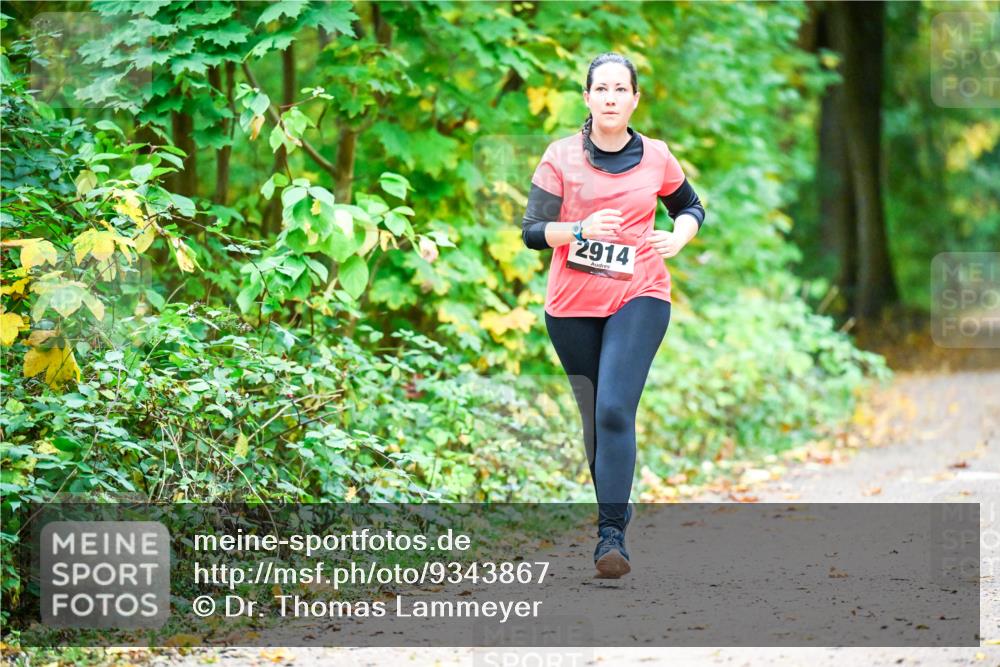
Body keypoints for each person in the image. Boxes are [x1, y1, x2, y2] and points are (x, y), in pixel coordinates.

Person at [520, 52, 705, 579]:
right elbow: (533, 232)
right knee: (594, 419)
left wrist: (680, 236)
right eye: (601, 88)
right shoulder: (560, 157)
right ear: (587, 97)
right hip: (571, 306)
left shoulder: (658, 156)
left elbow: (691, 207)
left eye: (620, 89)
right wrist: (578, 230)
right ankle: (616, 507)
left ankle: (610, 539)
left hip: (640, 293)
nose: (610, 97)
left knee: (615, 409)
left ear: (634, 99)